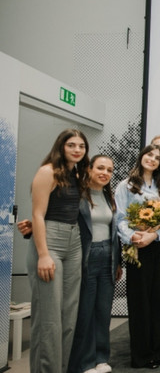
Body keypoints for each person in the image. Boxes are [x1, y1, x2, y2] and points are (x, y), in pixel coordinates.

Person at [26, 128, 89, 373]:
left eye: (81, 146)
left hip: (73, 242)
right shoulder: (48, 171)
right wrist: (43, 255)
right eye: (71, 145)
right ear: (61, 146)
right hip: (50, 241)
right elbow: (38, 215)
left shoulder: (77, 174)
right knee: (49, 319)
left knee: (68, 317)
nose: (77, 149)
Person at [115, 145, 160, 369]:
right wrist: (133, 237)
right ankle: (142, 354)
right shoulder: (126, 185)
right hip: (137, 245)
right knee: (139, 300)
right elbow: (120, 217)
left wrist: (154, 235)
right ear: (141, 157)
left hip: (159, 245)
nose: (152, 159)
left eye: (157, 158)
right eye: (149, 155)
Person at [68, 155, 122, 373]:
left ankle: (101, 358)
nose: (105, 173)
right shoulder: (79, 195)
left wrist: (117, 262)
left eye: (109, 170)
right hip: (86, 257)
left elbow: (114, 233)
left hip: (108, 257)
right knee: (86, 312)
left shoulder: (109, 197)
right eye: (100, 168)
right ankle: (85, 362)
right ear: (89, 169)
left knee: (103, 311)